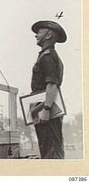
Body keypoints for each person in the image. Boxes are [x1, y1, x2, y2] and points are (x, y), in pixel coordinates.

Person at [30, 20, 67, 159]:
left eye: (39, 32)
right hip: (45, 108)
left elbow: (52, 84)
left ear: (48, 35)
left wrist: (46, 109)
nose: (36, 35)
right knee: (49, 147)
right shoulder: (47, 55)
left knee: (51, 150)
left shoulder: (48, 56)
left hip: (47, 110)